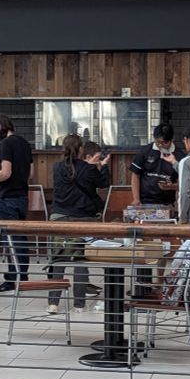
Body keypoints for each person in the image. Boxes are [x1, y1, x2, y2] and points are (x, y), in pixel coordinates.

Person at [45, 134, 111, 314]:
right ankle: (79, 305)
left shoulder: (57, 167)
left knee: (58, 260)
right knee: (80, 260)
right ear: (81, 149)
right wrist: (103, 167)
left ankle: (53, 303)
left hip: (59, 218)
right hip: (84, 219)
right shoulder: (88, 169)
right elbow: (103, 183)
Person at [0, 115, 33, 293]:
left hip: (8, 198)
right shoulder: (24, 143)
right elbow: (30, 173)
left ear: (0, 126)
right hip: (23, 196)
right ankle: (22, 276)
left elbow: (6, 172)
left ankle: (12, 279)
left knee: (10, 241)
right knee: (21, 238)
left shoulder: (6, 144)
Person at [130, 123, 184, 207]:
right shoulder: (145, 151)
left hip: (167, 203)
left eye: (164, 143)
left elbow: (182, 182)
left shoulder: (179, 155)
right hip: (145, 202)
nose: (161, 145)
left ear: (172, 139)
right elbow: (135, 175)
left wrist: (172, 186)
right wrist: (136, 199)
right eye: (158, 142)